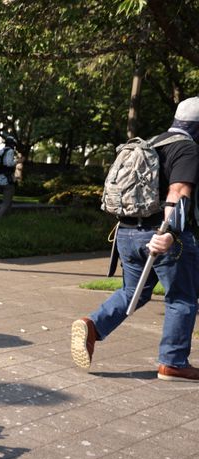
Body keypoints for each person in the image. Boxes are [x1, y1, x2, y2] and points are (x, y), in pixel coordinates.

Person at [71, 96, 199, 382]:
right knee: (183, 297)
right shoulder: (187, 149)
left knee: (133, 292)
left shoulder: (151, 143)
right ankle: (173, 362)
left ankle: (91, 326)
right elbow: (177, 192)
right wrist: (169, 234)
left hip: (126, 232)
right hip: (161, 236)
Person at [0, 136, 18, 218]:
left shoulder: (1, 151)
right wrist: (17, 161)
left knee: (8, 201)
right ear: (12, 144)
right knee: (6, 203)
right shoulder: (10, 151)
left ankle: (7, 219)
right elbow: (9, 163)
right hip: (7, 180)